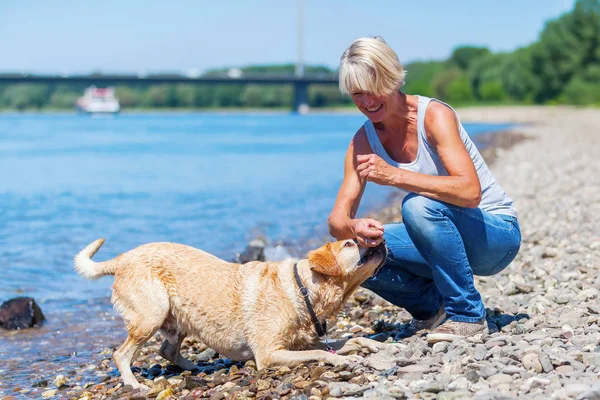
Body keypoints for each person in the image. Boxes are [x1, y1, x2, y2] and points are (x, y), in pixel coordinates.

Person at [327, 36, 521, 343]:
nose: (366, 102)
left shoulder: (434, 116)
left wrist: (394, 177)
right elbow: (336, 222)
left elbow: (470, 192)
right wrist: (353, 226)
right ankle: (432, 307)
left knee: (416, 206)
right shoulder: (363, 141)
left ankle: (468, 315)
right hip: (440, 241)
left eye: (373, 88)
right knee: (351, 253)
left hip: (494, 236)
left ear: (392, 78)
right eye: (357, 94)